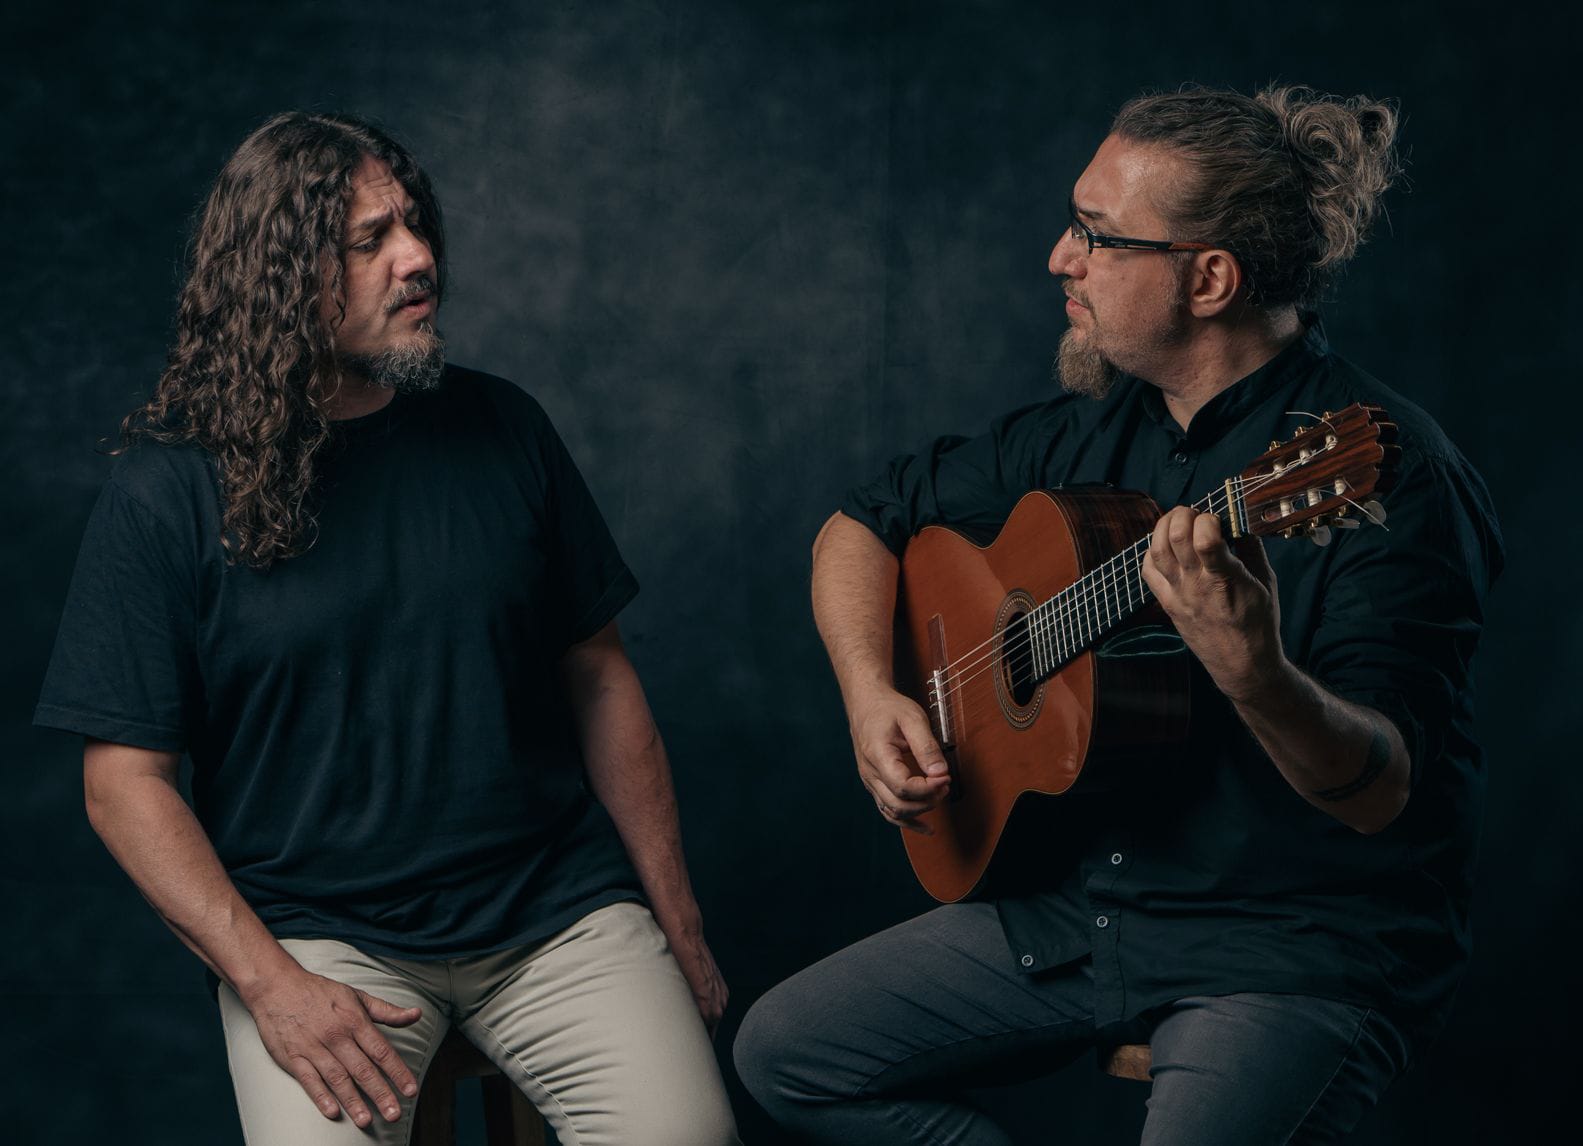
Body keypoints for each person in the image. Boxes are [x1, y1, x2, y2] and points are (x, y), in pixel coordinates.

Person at [734, 84, 1503, 1145]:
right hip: (1085, 916)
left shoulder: (1379, 472)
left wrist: (1257, 676)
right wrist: (872, 697)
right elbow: (857, 527)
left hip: (1287, 945)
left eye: (1095, 236)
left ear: (1209, 278)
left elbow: (1381, 795)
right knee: (788, 1053)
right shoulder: (1082, 436)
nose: (1060, 257)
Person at [34, 112, 739, 1146]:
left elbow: (598, 676)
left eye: (413, 225)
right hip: (319, 943)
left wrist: (674, 912)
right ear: (278, 279)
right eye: (369, 241)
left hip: (553, 912)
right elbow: (123, 786)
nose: (418, 259)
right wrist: (270, 984)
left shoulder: (505, 426)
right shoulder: (168, 490)